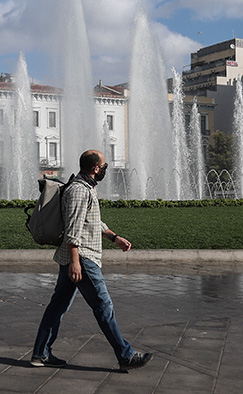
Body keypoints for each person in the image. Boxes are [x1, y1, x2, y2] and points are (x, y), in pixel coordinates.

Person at [31, 149, 153, 372]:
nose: (106, 169)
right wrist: (75, 262)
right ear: (96, 168)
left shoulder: (85, 188)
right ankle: (125, 355)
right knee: (103, 306)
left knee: (57, 306)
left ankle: (41, 353)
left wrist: (114, 237)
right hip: (82, 258)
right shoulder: (79, 190)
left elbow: (92, 220)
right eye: (104, 166)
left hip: (77, 257)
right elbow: (73, 229)